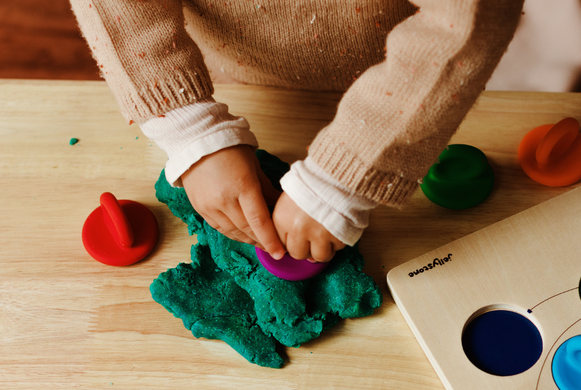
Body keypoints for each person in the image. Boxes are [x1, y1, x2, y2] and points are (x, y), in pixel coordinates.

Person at [70, 0, 524, 262]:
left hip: (413, 88)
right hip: (228, 73)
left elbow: (466, 22)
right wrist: (189, 125)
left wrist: (347, 173)